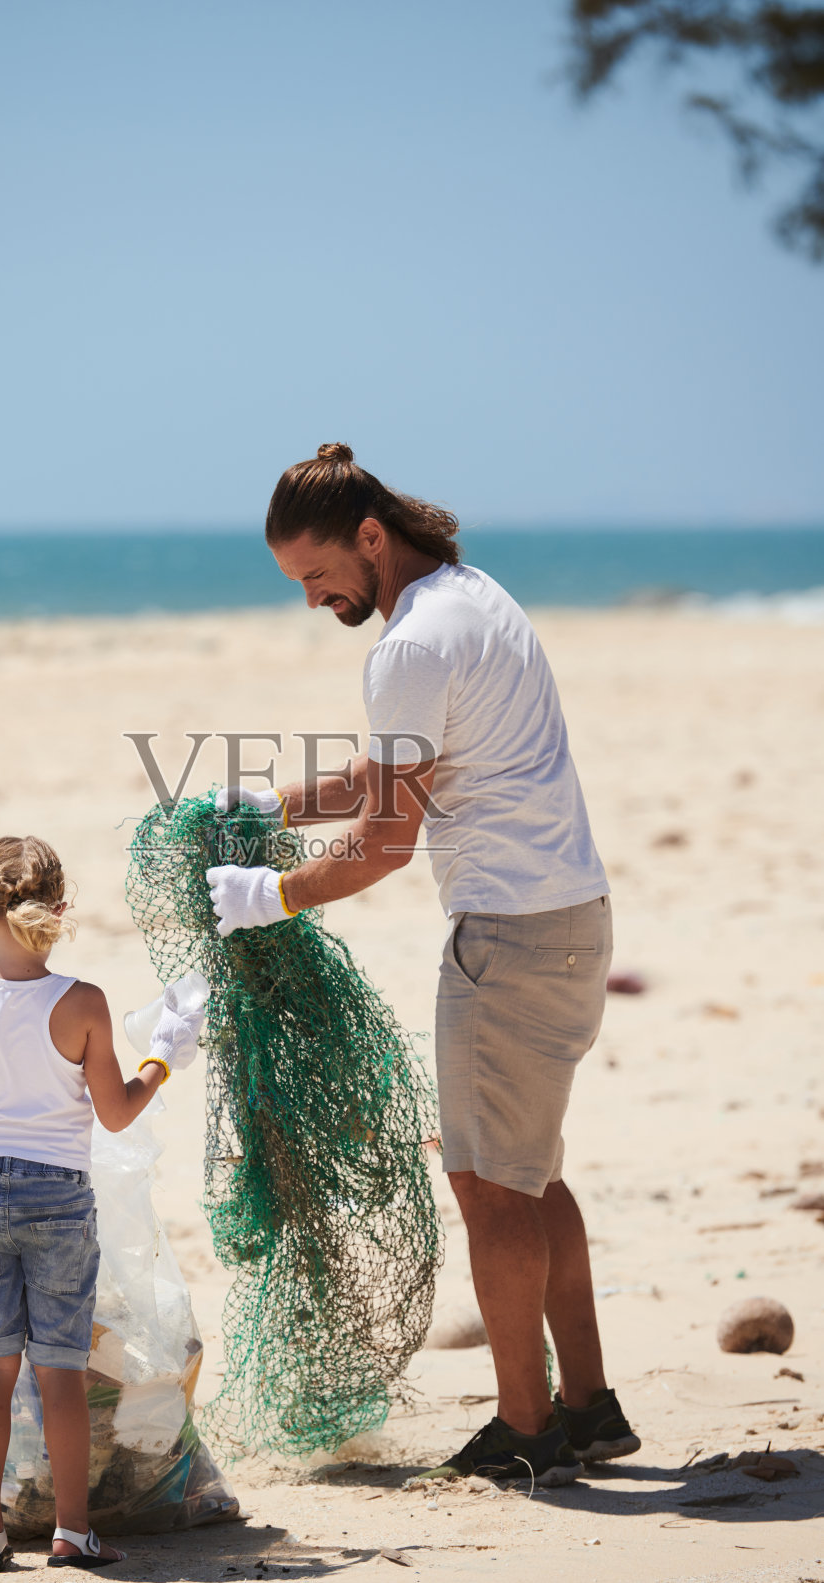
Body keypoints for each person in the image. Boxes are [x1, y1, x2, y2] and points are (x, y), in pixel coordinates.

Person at [205, 443, 638, 1487]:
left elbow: (385, 843)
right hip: (572, 918)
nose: (313, 600)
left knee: (487, 1186)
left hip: (506, 937)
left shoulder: (405, 646)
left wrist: (269, 896)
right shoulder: (473, 595)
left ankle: (526, 1428)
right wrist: (275, 806)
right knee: (531, 1173)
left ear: (369, 537)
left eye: (318, 576)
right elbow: (393, 769)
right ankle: (588, 1408)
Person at [0, 835, 203, 1573]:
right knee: (60, 1368)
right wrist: (163, 1056)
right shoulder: (81, 1002)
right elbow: (116, 1114)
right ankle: (72, 1532)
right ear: (59, 911)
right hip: (58, 1194)